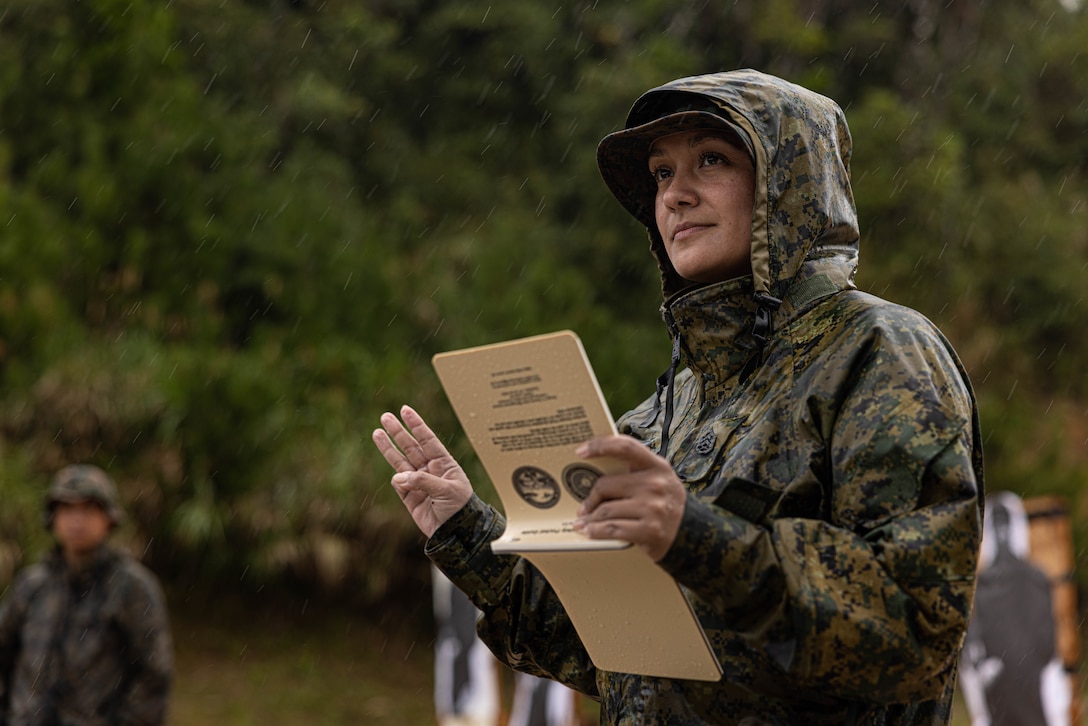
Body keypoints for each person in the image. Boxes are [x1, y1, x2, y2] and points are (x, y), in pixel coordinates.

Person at [373, 69, 984, 724]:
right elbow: (611, 651)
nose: (675, 195)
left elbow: (910, 631)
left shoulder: (880, 352)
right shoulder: (669, 410)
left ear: (789, 185)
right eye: (662, 174)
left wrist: (695, 537)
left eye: (711, 160)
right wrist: (467, 531)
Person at [0, 464, 173, 726]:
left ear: (109, 517)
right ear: (53, 517)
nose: (77, 520)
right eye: (67, 509)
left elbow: (153, 676)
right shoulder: (33, 584)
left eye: (88, 509)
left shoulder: (132, 588)